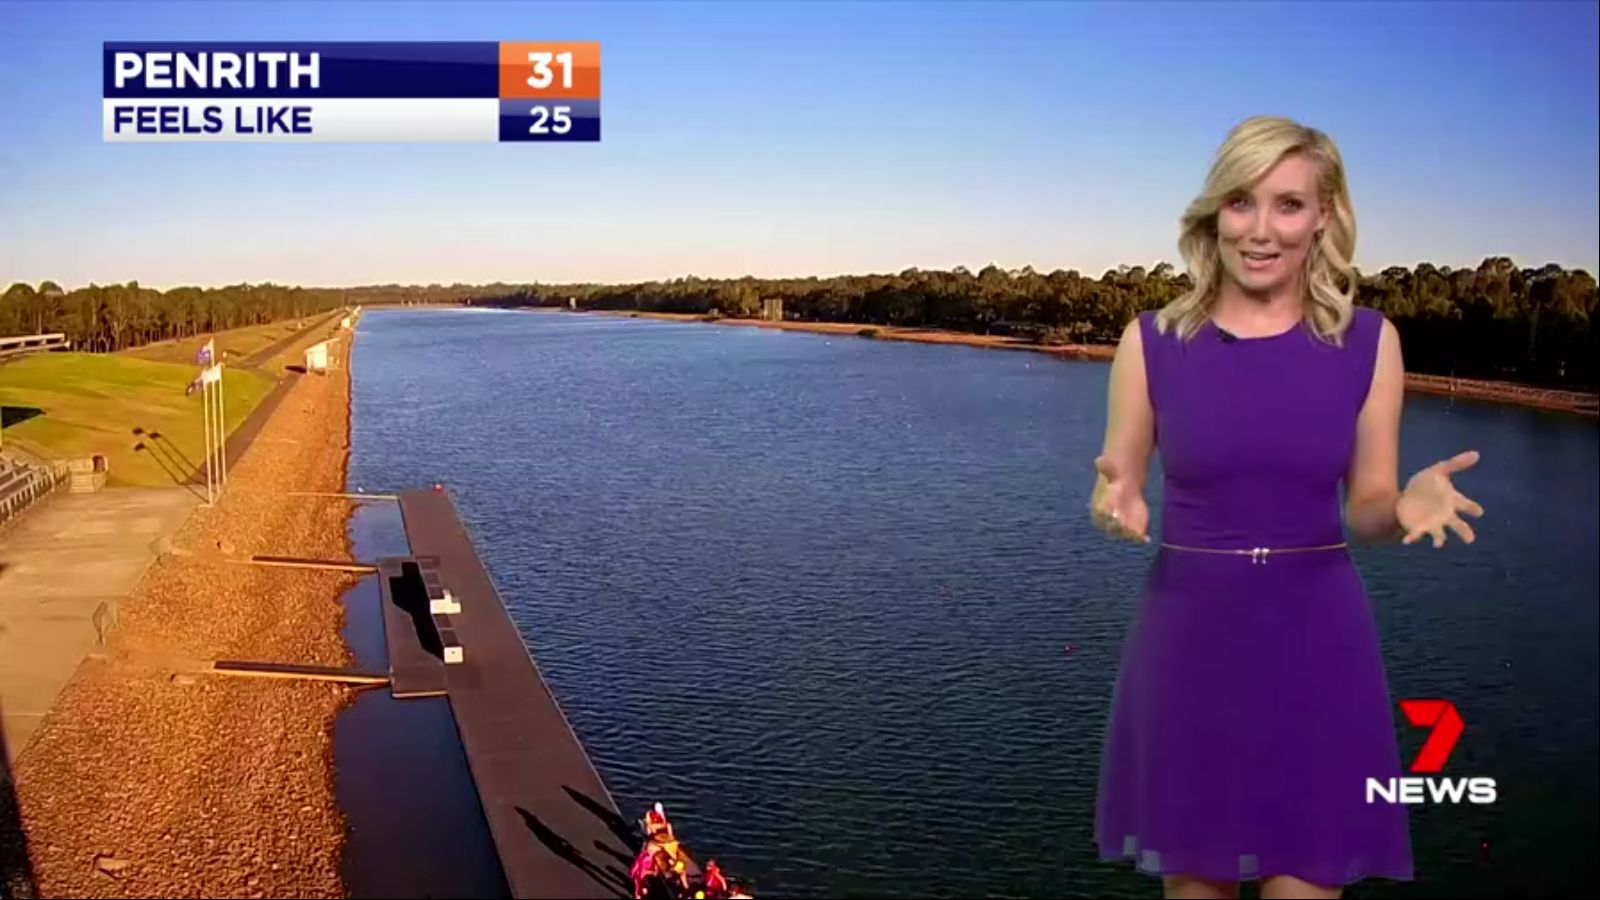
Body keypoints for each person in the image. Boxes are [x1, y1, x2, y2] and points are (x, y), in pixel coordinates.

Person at [1089, 115, 1484, 900]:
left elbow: (1366, 509)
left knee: (1310, 877)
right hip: (1189, 644)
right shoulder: (1150, 341)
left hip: (1318, 645)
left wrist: (1403, 507)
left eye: (1289, 204)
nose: (1261, 229)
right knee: (1195, 881)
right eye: (1241, 202)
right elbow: (1119, 475)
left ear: (1324, 216)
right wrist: (1117, 497)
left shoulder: (1371, 342)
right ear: (1215, 214)